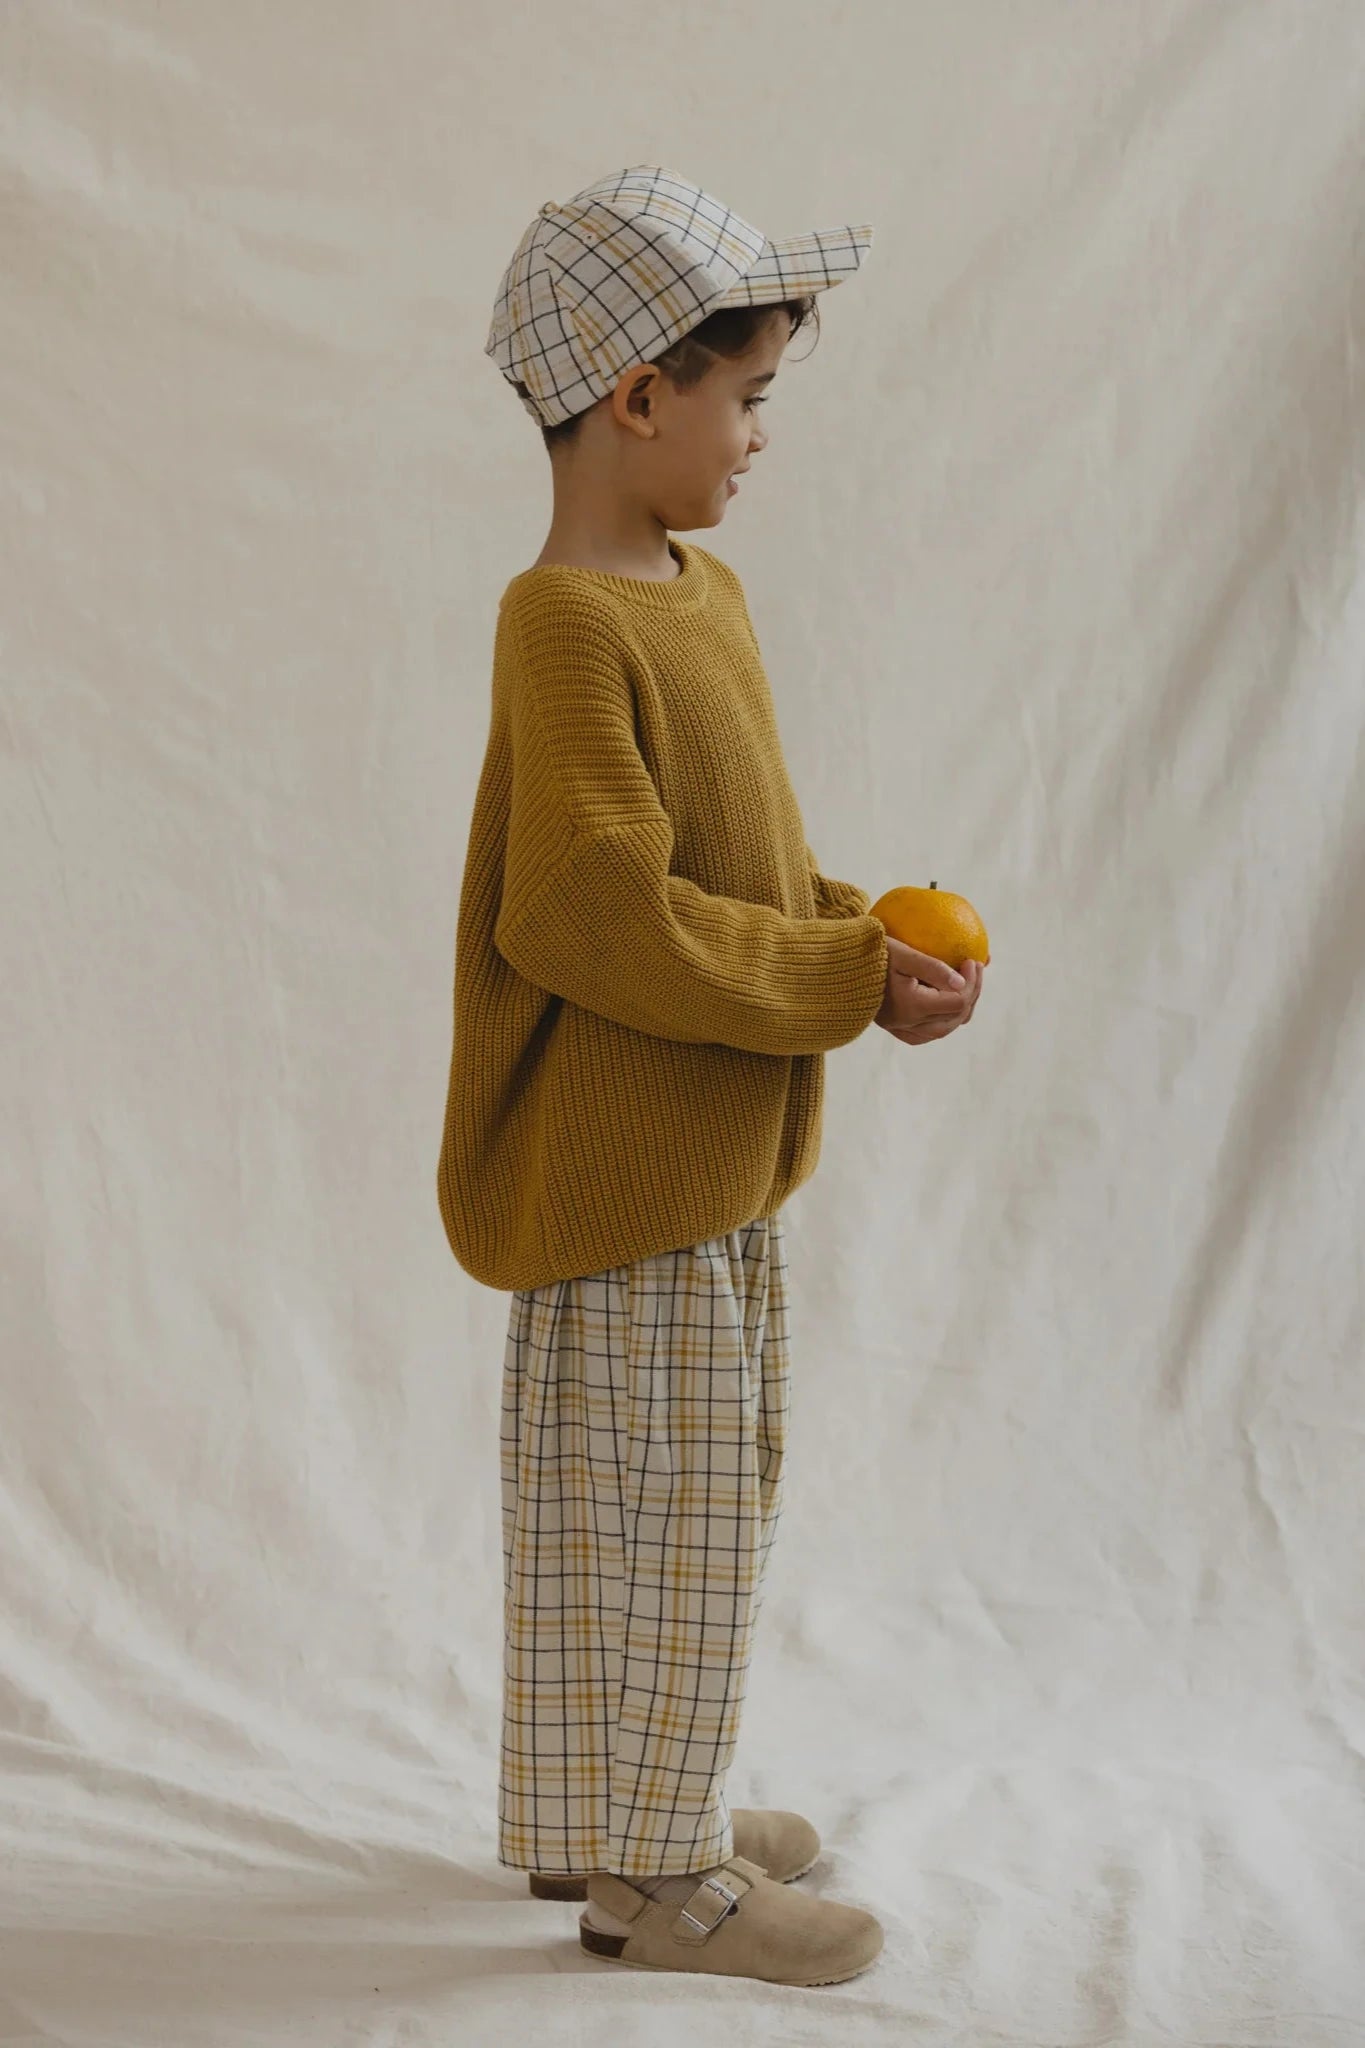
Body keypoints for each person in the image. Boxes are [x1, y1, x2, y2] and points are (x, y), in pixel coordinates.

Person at [435, 165, 985, 1988]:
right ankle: (662, 1876)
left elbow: (726, 868)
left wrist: (850, 935)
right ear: (635, 397)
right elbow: (591, 909)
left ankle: (608, 1813)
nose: (757, 435)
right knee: (663, 1517)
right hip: (632, 1164)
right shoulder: (566, 620)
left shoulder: (699, 592)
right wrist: (834, 971)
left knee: (658, 1498)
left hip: (708, 1149)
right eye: (743, 396)